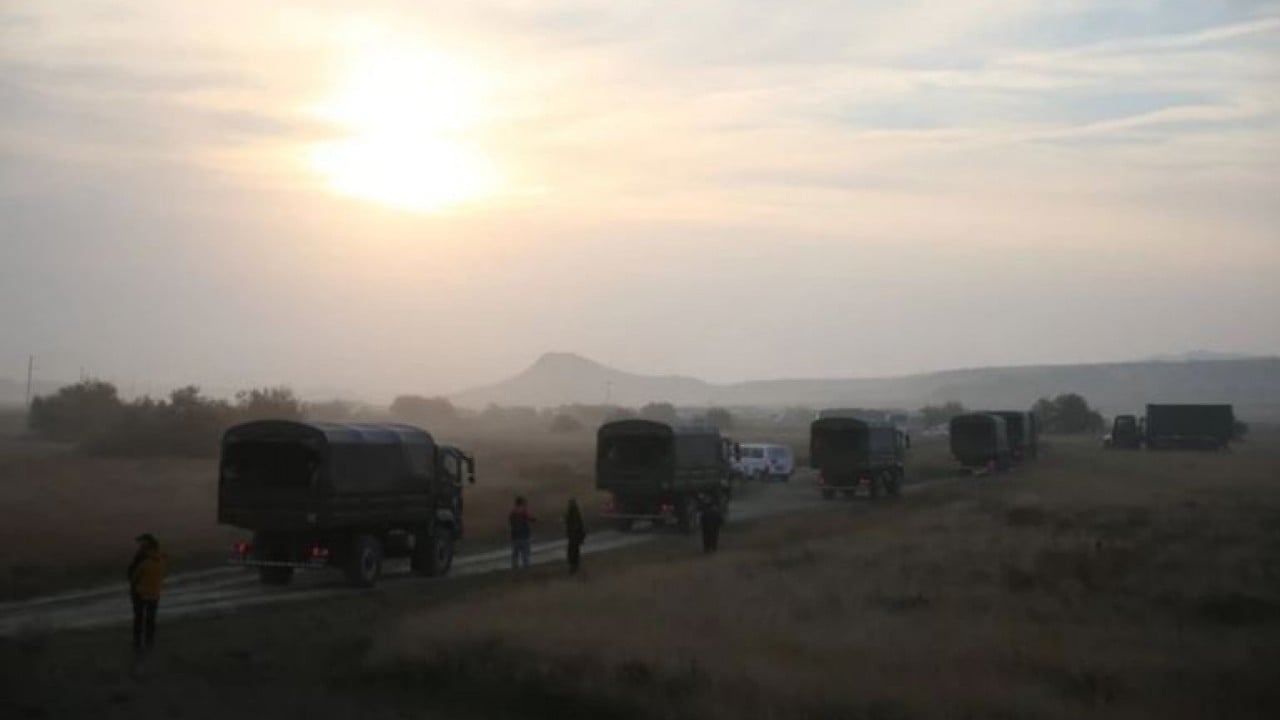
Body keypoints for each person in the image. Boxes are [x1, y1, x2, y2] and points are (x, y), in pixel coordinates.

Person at [127, 533, 168, 652]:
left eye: (142, 543)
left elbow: (133, 576)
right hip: (155, 592)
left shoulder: (143, 559)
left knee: (139, 618)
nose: (139, 545)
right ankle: (149, 642)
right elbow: (163, 574)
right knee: (150, 619)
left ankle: (137, 642)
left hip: (140, 592)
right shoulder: (162, 559)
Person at [508, 496, 535, 569]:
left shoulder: (512, 513)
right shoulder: (523, 512)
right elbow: (530, 518)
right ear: (521, 504)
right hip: (524, 535)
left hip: (515, 536)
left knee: (515, 554)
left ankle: (515, 567)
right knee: (526, 554)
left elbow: (511, 523)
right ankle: (526, 567)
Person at [564, 498, 586, 574]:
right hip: (575, 536)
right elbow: (580, 525)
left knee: (572, 552)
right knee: (575, 552)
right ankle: (575, 565)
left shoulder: (573, 513)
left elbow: (575, 525)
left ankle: (573, 566)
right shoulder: (576, 513)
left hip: (573, 536)